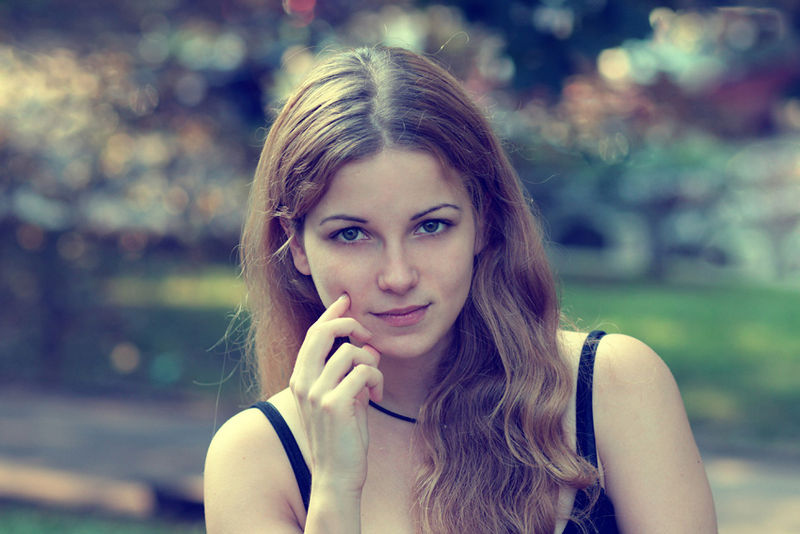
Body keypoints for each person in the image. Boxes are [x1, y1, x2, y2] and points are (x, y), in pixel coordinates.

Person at [203, 45, 717, 533]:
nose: (398, 276)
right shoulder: (254, 459)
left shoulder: (611, 388)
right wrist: (335, 488)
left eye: (431, 226)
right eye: (352, 234)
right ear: (296, 245)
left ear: (483, 221)